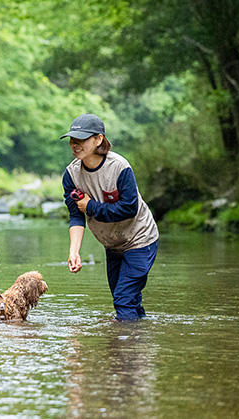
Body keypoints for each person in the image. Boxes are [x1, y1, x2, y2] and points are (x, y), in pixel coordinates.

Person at [60, 113, 159, 321]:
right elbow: (76, 215)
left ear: (98, 139)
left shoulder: (120, 168)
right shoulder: (71, 175)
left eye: (82, 139)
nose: (75, 145)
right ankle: (138, 341)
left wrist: (91, 206)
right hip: (112, 244)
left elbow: (129, 209)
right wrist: (74, 251)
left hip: (140, 239)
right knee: (125, 299)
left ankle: (124, 346)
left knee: (123, 299)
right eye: (72, 140)